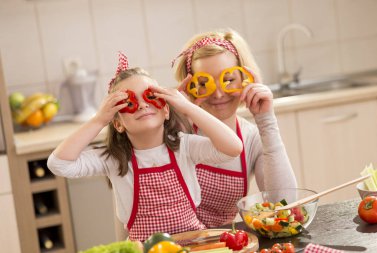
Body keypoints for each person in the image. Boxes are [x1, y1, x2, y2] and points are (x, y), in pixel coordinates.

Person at [47, 52, 243, 241]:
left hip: (195, 245)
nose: (142, 105)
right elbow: (58, 164)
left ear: (165, 110)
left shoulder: (184, 147)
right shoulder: (114, 159)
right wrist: (99, 120)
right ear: (118, 123)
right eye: (128, 102)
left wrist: (187, 107)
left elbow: (233, 147)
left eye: (150, 97)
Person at [172, 29, 297, 228]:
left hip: (223, 245)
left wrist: (266, 121)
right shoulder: (174, 131)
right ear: (189, 85)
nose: (219, 94)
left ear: (245, 78)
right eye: (204, 83)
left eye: (228, 80)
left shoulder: (251, 138)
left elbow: (283, 204)